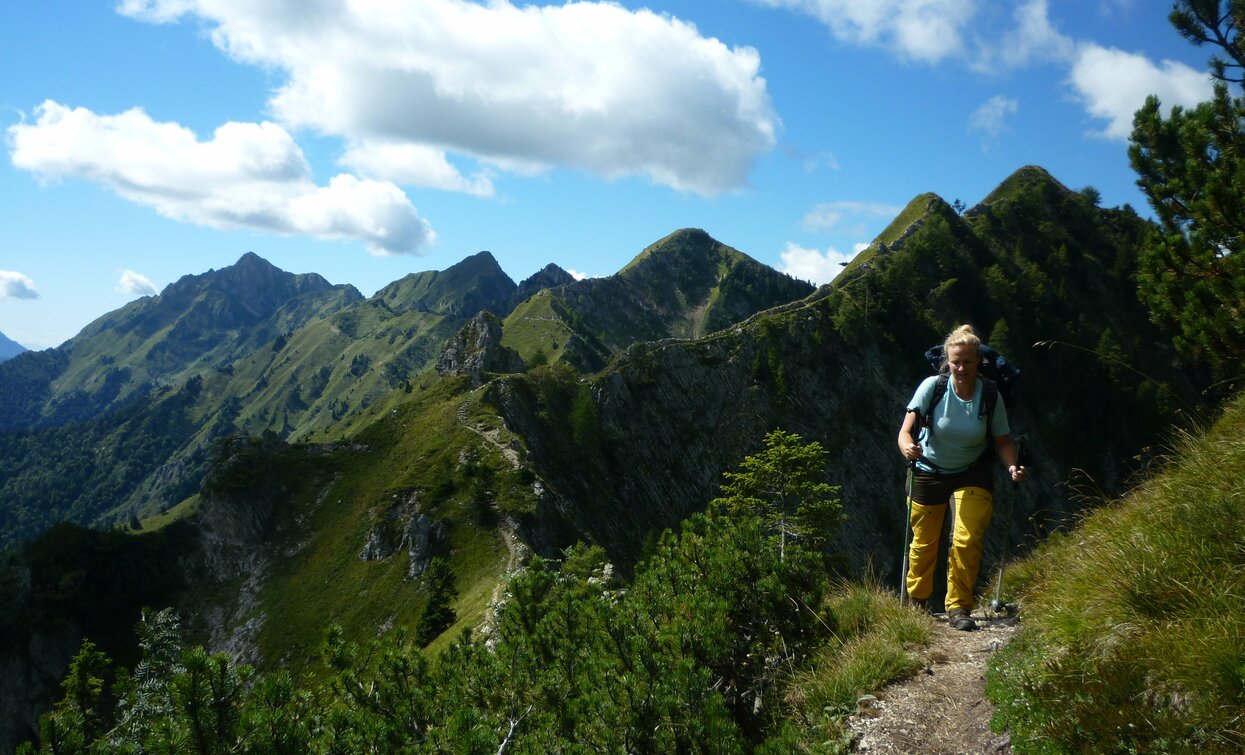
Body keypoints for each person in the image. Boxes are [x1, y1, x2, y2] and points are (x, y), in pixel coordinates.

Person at [896, 324, 1025, 630]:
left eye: (967, 361)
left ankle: (959, 607)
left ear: (978, 361)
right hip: (928, 470)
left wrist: (1012, 465)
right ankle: (918, 603)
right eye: (956, 361)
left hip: (972, 472)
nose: (961, 367)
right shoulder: (932, 387)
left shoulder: (990, 395)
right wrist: (907, 447)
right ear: (947, 361)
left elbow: (1003, 440)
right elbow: (905, 431)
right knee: (924, 543)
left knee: (966, 540)